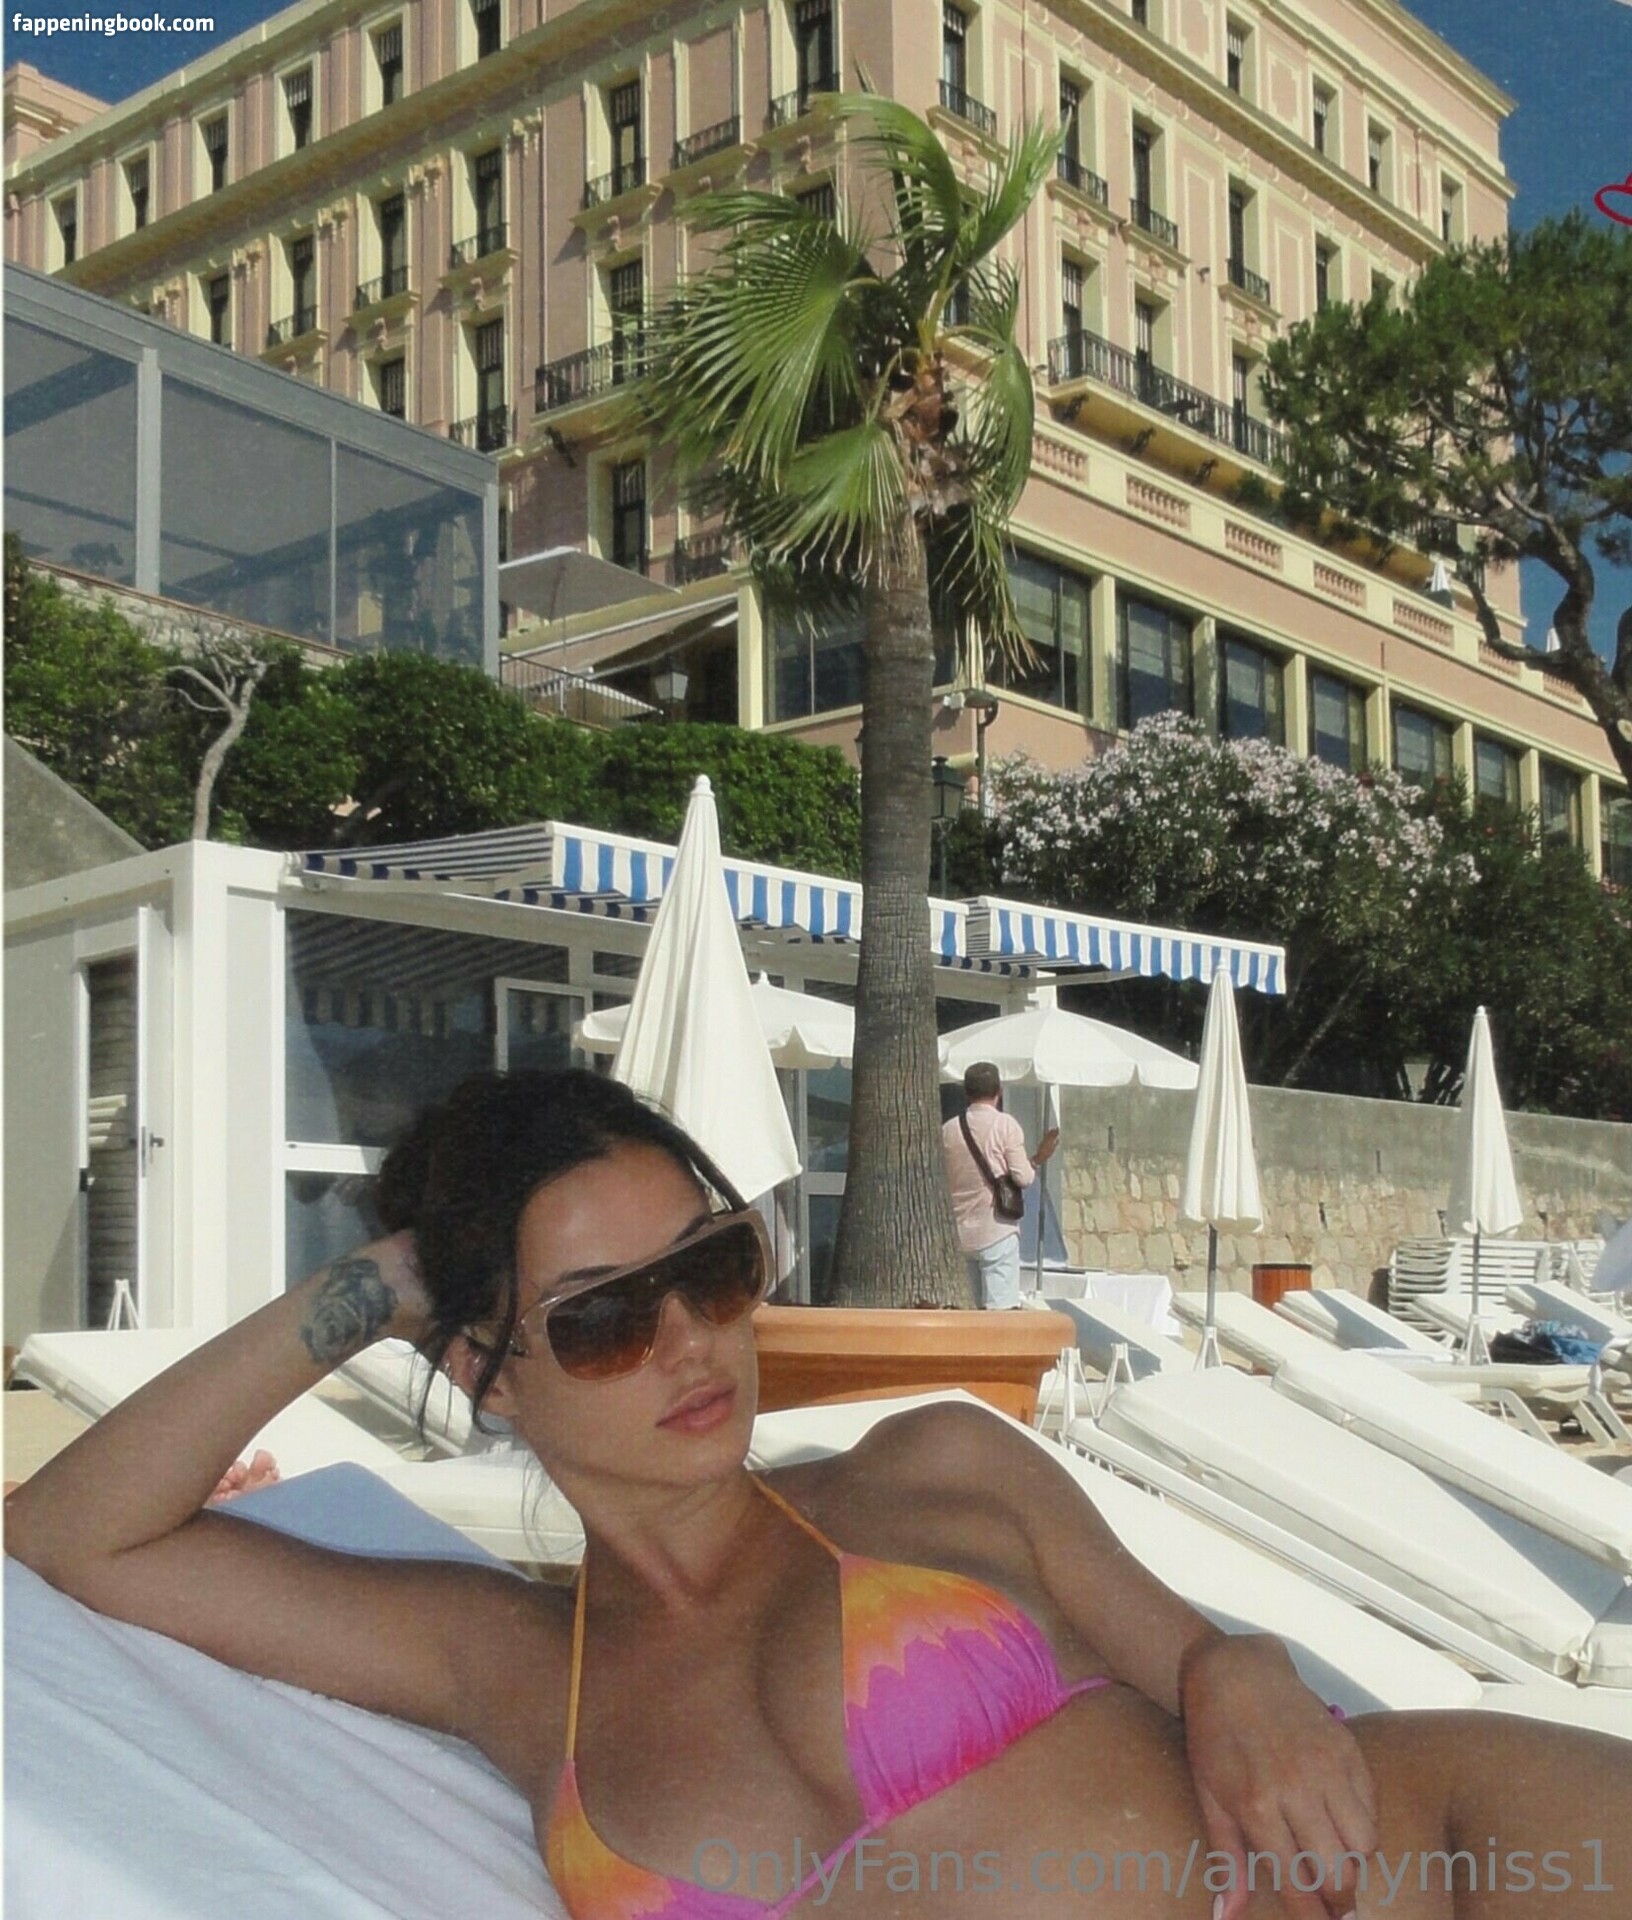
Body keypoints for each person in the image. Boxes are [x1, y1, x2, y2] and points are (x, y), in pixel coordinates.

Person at [8, 1067, 1629, 1920]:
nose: (690, 1340)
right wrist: (377, 1285)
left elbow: (1210, 1659)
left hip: (1455, 1857)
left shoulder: (930, 1469)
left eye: (712, 1266)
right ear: (492, 1373)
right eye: (602, 1316)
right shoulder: (502, 1663)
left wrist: (1240, 1668)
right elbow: (72, 1533)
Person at [942, 1061, 1059, 1308]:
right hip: (997, 1229)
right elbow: (1023, 1178)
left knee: (972, 1311)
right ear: (999, 1091)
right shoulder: (1005, 1125)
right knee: (1000, 1312)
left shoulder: (949, 1130)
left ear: (966, 1092)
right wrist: (1038, 1159)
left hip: (961, 1230)